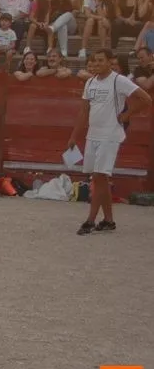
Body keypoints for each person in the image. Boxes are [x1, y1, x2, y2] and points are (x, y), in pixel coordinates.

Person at [68, 49, 152, 235]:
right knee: (100, 177)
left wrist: (128, 114)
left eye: (100, 61)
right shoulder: (90, 81)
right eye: (94, 61)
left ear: (109, 62)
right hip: (93, 134)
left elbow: (146, 99)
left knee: (99, 176)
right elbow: (84, 112)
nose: (96, 64)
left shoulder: (118, 80)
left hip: (110, 134)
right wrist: (74, 136)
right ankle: (108, 220)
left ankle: (90, 220)